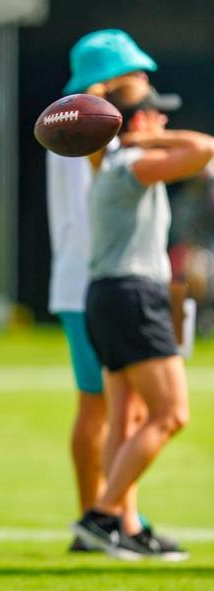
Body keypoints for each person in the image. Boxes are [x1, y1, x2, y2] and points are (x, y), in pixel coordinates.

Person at [47, 30, 181, 553]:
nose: (144, 83)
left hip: (89, 278)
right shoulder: (92, 123)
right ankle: (105, 518)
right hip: (97, 279)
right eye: (135, 73)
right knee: (111, 409)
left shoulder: (73, 119)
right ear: (106, 80)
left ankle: (116, 516)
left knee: (116, 409)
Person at [73, 83, 213, 559]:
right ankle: (103, 513)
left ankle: (125, 525)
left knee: (125, 418)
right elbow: (205, 148)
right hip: (133, 296)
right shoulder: (132, 163)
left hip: (110, 296)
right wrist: (143, 141)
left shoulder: (114, 165)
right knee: (170, 414)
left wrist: (140, 138)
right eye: (157, 117)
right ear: (137, 123)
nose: (165, 125)